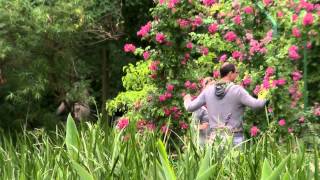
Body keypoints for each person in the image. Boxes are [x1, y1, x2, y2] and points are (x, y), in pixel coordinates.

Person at [184, 63, 267, 146]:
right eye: (236, 72)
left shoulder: (208, 91)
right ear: (230, 73)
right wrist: (266, 93)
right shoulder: (237, 90)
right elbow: (257, 104)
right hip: (234, 137)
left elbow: (190, 107)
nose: (237, 75)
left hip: (215, 139)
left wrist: (187, 99)